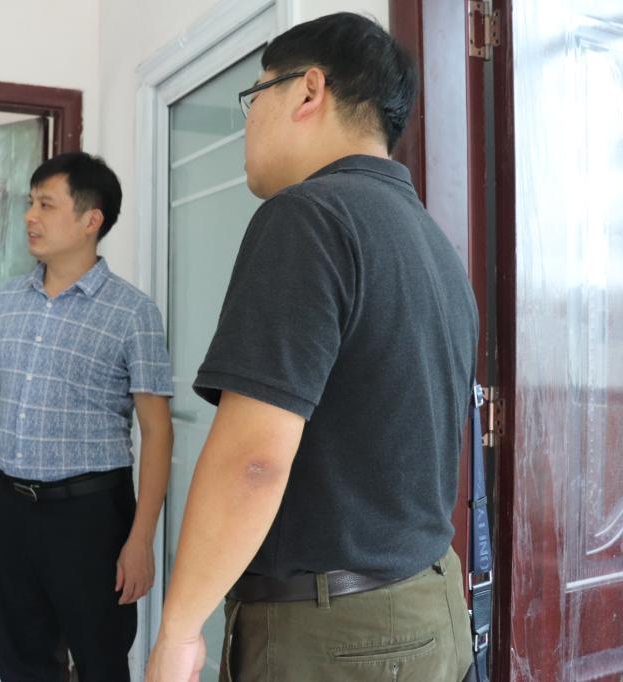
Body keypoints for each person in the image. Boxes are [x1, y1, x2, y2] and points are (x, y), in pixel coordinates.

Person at [146, 13, 479, 682]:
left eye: (256, 95)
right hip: (432, 606)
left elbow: (253, 462)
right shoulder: (432, 242)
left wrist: (179, 632)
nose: (247, 124)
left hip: (339, 636)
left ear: (308, 90)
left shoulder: (308, 216)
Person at [0, 152, 174, 681]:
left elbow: (157, 432)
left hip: (91, 515)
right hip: (12, 506)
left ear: (90, 219)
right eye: (30, 203)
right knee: (20, 661)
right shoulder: (9, 299)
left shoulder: (133, 312)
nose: (30, 216)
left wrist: (141, 539)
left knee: (101, 662)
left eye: (46, 205)